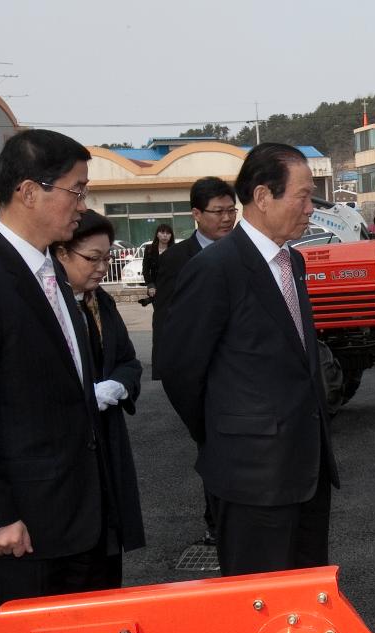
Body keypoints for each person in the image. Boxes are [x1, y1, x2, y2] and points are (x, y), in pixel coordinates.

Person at [0, 128, 112, 633]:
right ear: (30, 191)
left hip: (72, 514)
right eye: (76, 190)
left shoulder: (47, 270)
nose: (82, 203)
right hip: (19, 527)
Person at [159, 143, 338, 577]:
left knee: (305, 595)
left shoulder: (292, 260)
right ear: (262, 197)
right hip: (250, 477)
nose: (311, 208)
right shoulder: (216, 268)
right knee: (257, 607)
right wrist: (227, 435)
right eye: (303, 196)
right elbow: (180, 370)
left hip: (306, 470)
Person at [54, 210, 145, 569]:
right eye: (93, 258)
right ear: (61, 254)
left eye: (106, 258)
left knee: (107, 543)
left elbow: (129, 360)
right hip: (68, 445)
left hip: (105, 436)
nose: (102, 267)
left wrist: (117, 386)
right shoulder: (48, 305)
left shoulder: (100, 301)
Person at [150, 176, 237, 546]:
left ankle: (229, 520)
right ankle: (216, 522)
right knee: (211, 450)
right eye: (218, 212)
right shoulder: (176, 259)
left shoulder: (240, 252)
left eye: (232, 210)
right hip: (200, 378)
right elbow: (170, 324)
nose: (227, 218)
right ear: (196, 214)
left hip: (236, 376)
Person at [137, 223, 174, 306]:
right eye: (162, 232)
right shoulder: (149, 249)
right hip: (155, 288)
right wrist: (150, 285)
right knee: (159, 313)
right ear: (157, 234)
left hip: (171, 287)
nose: (165, 235)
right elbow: (145, 269)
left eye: (168, 233)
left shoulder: (175, 249)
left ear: (171, 235)